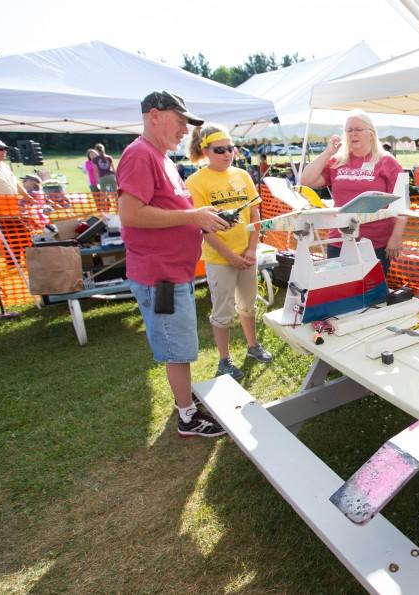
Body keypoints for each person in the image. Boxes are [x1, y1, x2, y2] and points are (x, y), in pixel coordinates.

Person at [117, 90, 230, 438]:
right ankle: (187, 416)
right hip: (160, 277)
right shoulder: (140, 155)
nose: (184, 130)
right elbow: (131, 214)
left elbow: (173, 210)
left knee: (178, 343)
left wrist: (200, 216)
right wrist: (193, 215)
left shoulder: (160, 156)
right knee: (175, 346)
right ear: (155, 115)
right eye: (180, 122)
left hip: (170, 272)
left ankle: (186, 403)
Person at [185, 124, 274, 380]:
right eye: (219, 149)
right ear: (205, 151)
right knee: (223, 311)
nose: (227, 154)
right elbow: (204, 228)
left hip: (247, 255)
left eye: (230, 149)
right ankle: (224, 360)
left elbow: (255, 213)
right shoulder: (196, 182)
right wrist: (231, 256)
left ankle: (252, 346)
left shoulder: (242, 175)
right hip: (219, 259)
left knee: (248, 304)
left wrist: (251, 248)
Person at [300, 110, 406, 274]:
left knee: (370, 293)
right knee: (339, 290)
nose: (353, 134)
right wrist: (328, 152)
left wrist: (396, 236)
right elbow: (306, 180)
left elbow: (402, 201)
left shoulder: (387, 161)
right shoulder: (337, 161)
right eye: (349, 130)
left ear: (371, 134)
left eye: (358, 129)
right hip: (339, 239)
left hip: (374, 242)